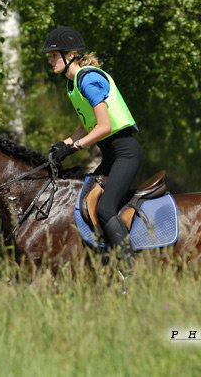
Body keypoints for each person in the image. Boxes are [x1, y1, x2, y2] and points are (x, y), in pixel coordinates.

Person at [43, 26, 142, 266]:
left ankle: (131, 269)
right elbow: (86, 126)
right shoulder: (73, 85)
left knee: (106, 208)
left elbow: (104, 127)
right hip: (110, 155)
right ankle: (104, 260)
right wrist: (62, 145)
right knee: (86, 201)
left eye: (53, 55)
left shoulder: (88, 80)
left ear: (69, 55)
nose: (50, 60)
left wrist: (75, 147)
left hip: (125, 153)